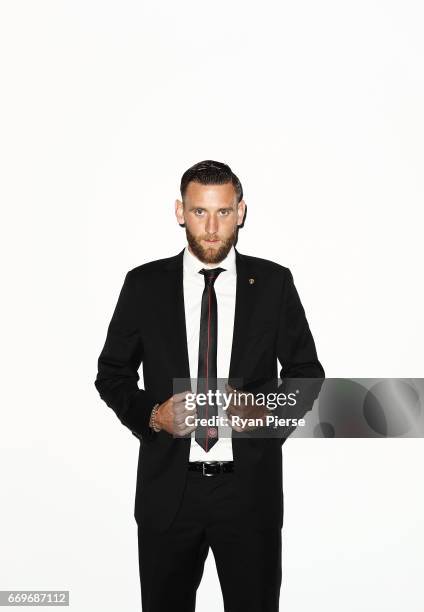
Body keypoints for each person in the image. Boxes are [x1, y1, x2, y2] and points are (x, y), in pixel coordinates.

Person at [94, 159, 325, 612]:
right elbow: (112, 374)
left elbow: (306, 374)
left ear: (240, 211)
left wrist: (263, 414)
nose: (213, 227)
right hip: (168, 494)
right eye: (200, 212)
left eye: (223, 212)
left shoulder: (274, 283)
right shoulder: (143, 285)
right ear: (180, 211)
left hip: (248, 494)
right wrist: (153, 416)